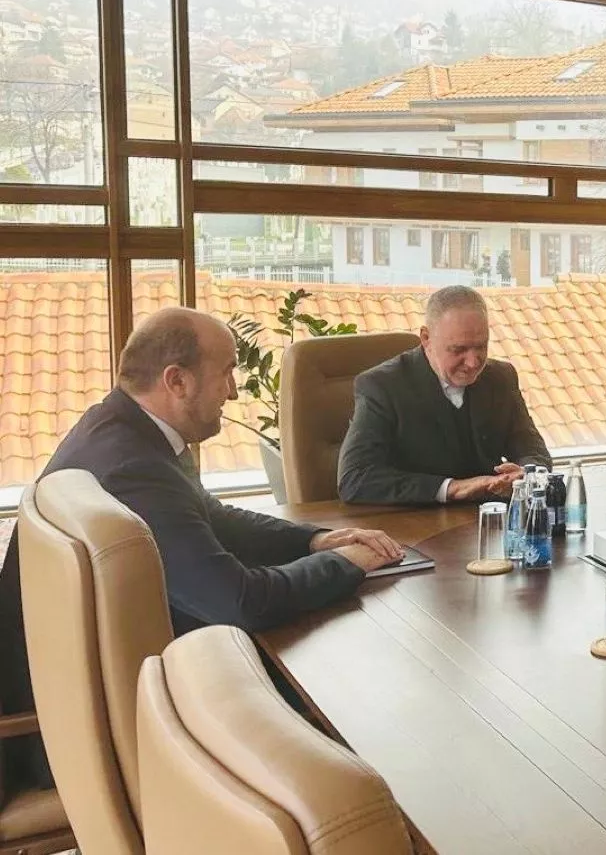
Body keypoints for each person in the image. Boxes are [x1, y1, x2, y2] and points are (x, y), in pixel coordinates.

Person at [0, 307, 405, 788]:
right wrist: (344, 564)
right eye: (227, 372)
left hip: (91, 693)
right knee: (347, 692)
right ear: (177, 380)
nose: (233, 390)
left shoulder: (120, 426)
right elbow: (242, 603)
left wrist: (315, 539)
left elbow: (211, 515)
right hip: (71, 737)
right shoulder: (133, 469)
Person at [338, 285, 551, 505]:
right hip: (414, 519)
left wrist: (525, 474)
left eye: (481, 347)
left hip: (490, 517)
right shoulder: (382, 386)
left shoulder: (501, 377)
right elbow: (355, 479)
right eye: (458, 350)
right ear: (426, 338)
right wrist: (453, 488)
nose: (473, 363)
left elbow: (534, 451)